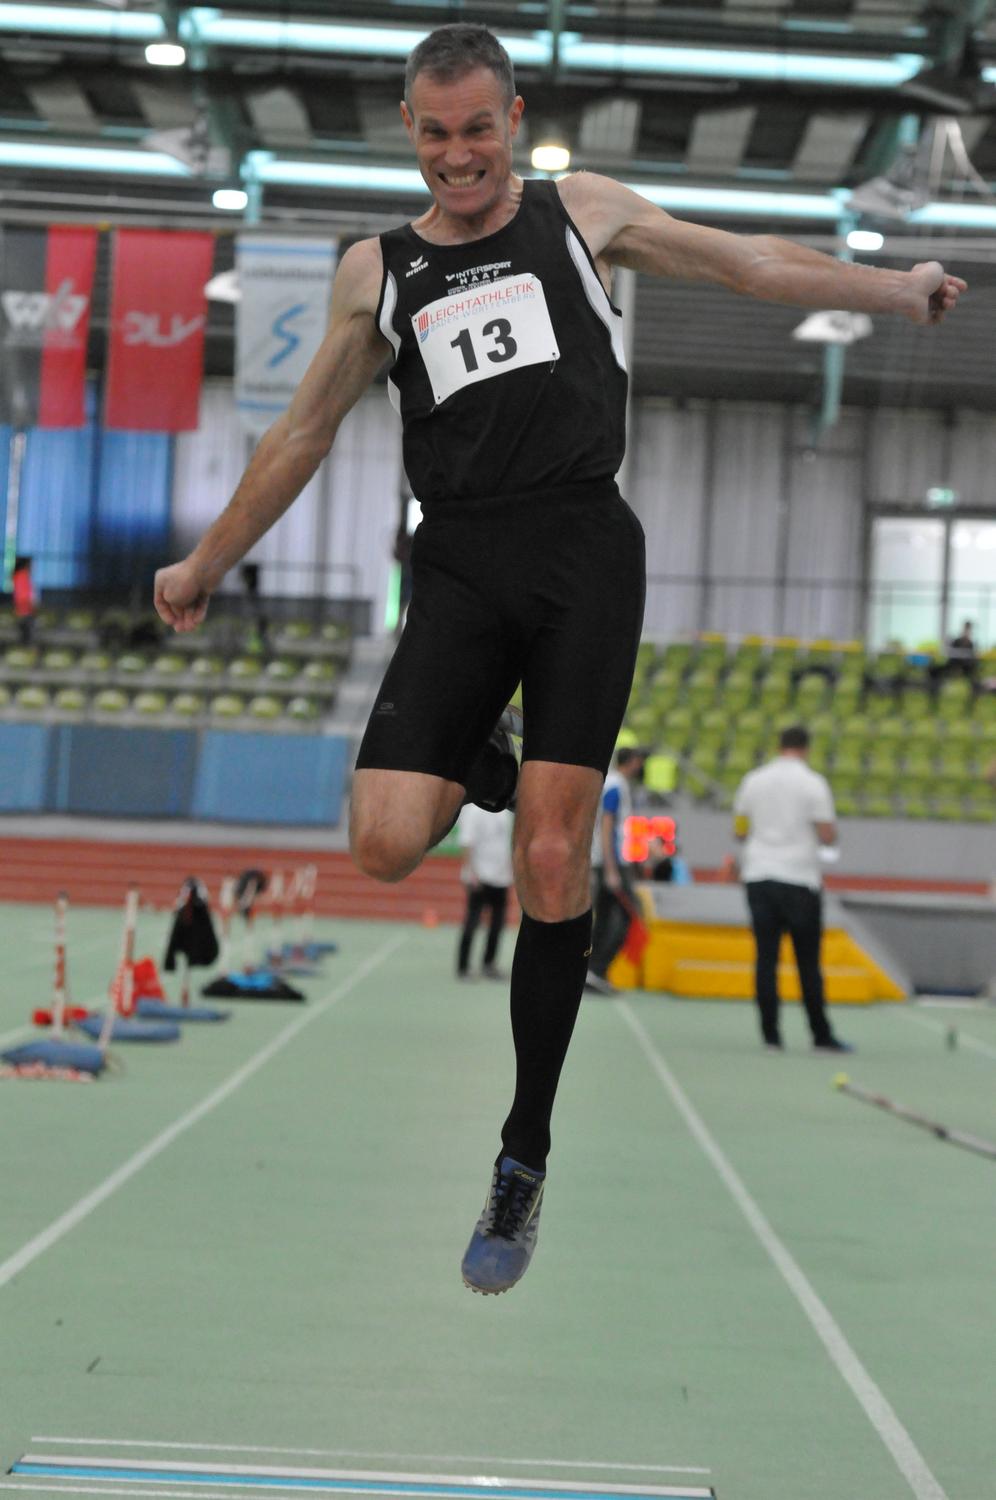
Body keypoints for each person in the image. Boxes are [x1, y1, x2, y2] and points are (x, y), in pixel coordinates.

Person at [152, 23, 962, 1293]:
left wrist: (894, 288)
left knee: (549, 856)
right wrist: (205, 562)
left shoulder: (580, 212)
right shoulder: (379, 271)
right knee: (381, 839)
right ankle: (495, 758)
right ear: (409, 131)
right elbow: (302, 433)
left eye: (479, 128)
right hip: (460, 564)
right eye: (436, 134)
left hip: (585, 551)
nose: (459, 155)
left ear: (513, 119)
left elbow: (748, 262)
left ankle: (522, 1155)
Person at [733, 725, 851, 1054]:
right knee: (808, 962)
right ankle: (820, 1034)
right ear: (806, 748)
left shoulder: (753, 780)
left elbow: (740, 829)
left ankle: (770, 1036)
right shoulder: (813, 783)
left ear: (779, 745)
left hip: (760, 874)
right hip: (800, 878)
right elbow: (827, 834)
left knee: (766, 959)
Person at [586, 746, 647, 995]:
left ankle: (592, 971)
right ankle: (597, 968)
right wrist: (611, 869)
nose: (641, 766)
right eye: (639, 761)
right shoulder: (616, 786)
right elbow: (607, 824)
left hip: (609, 861)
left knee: (605, 917)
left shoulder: (615, 784)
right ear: (631, 761)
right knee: (629, 915)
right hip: (612, 863)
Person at [456, 802, 514, 980]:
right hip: (480, 877)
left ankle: (489, 963)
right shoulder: (473, 811)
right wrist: (471, 872)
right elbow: (466, 842)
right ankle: (463, 966)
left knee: (497, 924)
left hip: (501, 877)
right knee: (472, 922)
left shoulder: (505, 812)